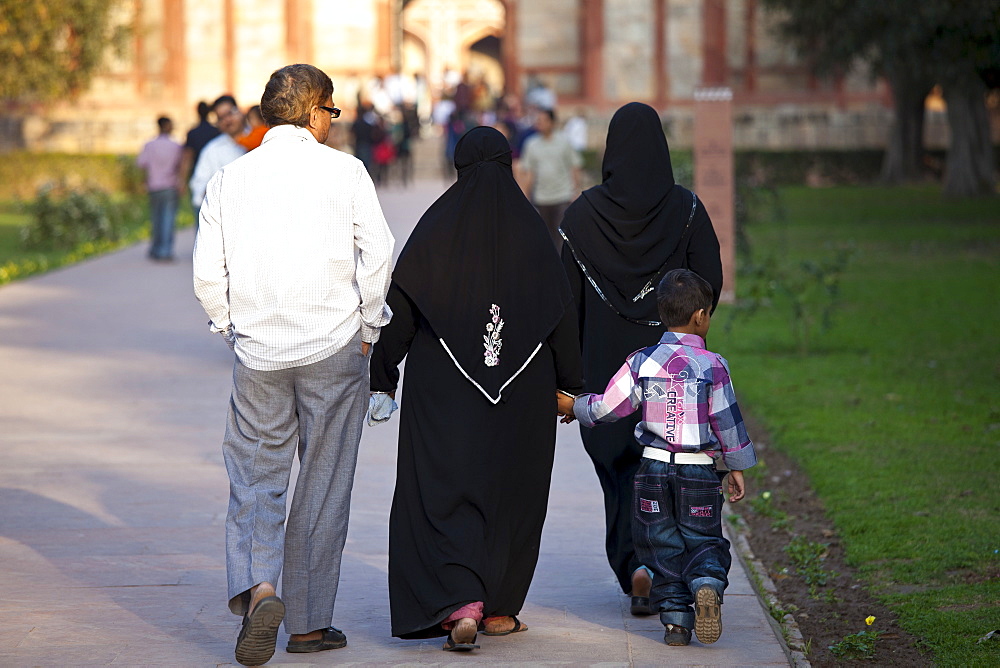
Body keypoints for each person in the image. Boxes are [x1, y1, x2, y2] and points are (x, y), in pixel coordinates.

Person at [193, 64, 394, 666]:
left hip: (258, 353)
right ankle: (308, 625)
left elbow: (208, 272)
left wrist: (230, 327)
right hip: (333, 347)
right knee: (324, 483)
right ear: (314, 111)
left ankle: (261, 590)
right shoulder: (346, 172)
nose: (332, 123)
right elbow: (378, 251)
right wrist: (369, 325)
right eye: (330, 113)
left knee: (256, 476)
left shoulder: (231, 176)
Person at [369, 126, 582, 652]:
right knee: (513, 489)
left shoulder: (434, 231)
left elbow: (401, 310)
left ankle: (460, 602)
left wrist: (383, 376)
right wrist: (571, 385)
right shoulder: (533, 233)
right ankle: (501, 609)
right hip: (524, 391)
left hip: (443, 388)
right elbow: (559, 316)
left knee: (445, 487)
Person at [559, 102, 723, 616]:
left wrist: (568, 381)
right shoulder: (688, 210)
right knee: (672, 474)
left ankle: (635, 566)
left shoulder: (582, 216)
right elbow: (709, 282)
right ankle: (673, 570)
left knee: (622, 475)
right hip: (671, 366)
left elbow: (566, 304)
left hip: (606, 369)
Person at [570, 268, 757, 647]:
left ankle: (675, 623)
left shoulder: (641, 361)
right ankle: (705, 583)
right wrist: (736, 467)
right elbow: (727, 421)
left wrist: (576, 406)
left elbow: (609, 407)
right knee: (704, 540)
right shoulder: (714, 366)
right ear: (701, 316)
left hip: (652, 470)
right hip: (700, 474)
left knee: (660, 546)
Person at [518, 109, 582, 250]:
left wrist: (576, 189)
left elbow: (574, 166)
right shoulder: (531, 144)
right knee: (545, 237)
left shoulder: (564, 142)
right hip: (541, 198)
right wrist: (525, 196)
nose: (539, 123)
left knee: (561, 237)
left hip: (562, 196)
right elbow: (529, 173)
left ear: (552, 122)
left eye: (543, 120)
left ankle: (562, 268)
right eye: (537, 120)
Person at [189, 95, 247, 218]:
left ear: (240, 111)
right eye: (221, 118)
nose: (227, 120)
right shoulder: (212, 150)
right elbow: (198, 188)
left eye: (230, 113)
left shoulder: (262, 138)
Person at [136, 116, 183, 261]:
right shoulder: (176, 146)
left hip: (154, 186)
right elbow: (181, 166)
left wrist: (144, 181)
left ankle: (156, 249)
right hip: (169, 186)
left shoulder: (150, 145)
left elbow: (141, 164)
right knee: (168, 218)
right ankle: (165, 251)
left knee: (156, 218)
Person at [180, 101, 221, 209]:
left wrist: (182, 180)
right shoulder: (216, 131)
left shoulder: (193, 133)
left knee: (199, 210)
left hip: (197, 173)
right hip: (216, 172)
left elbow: (187, 157)